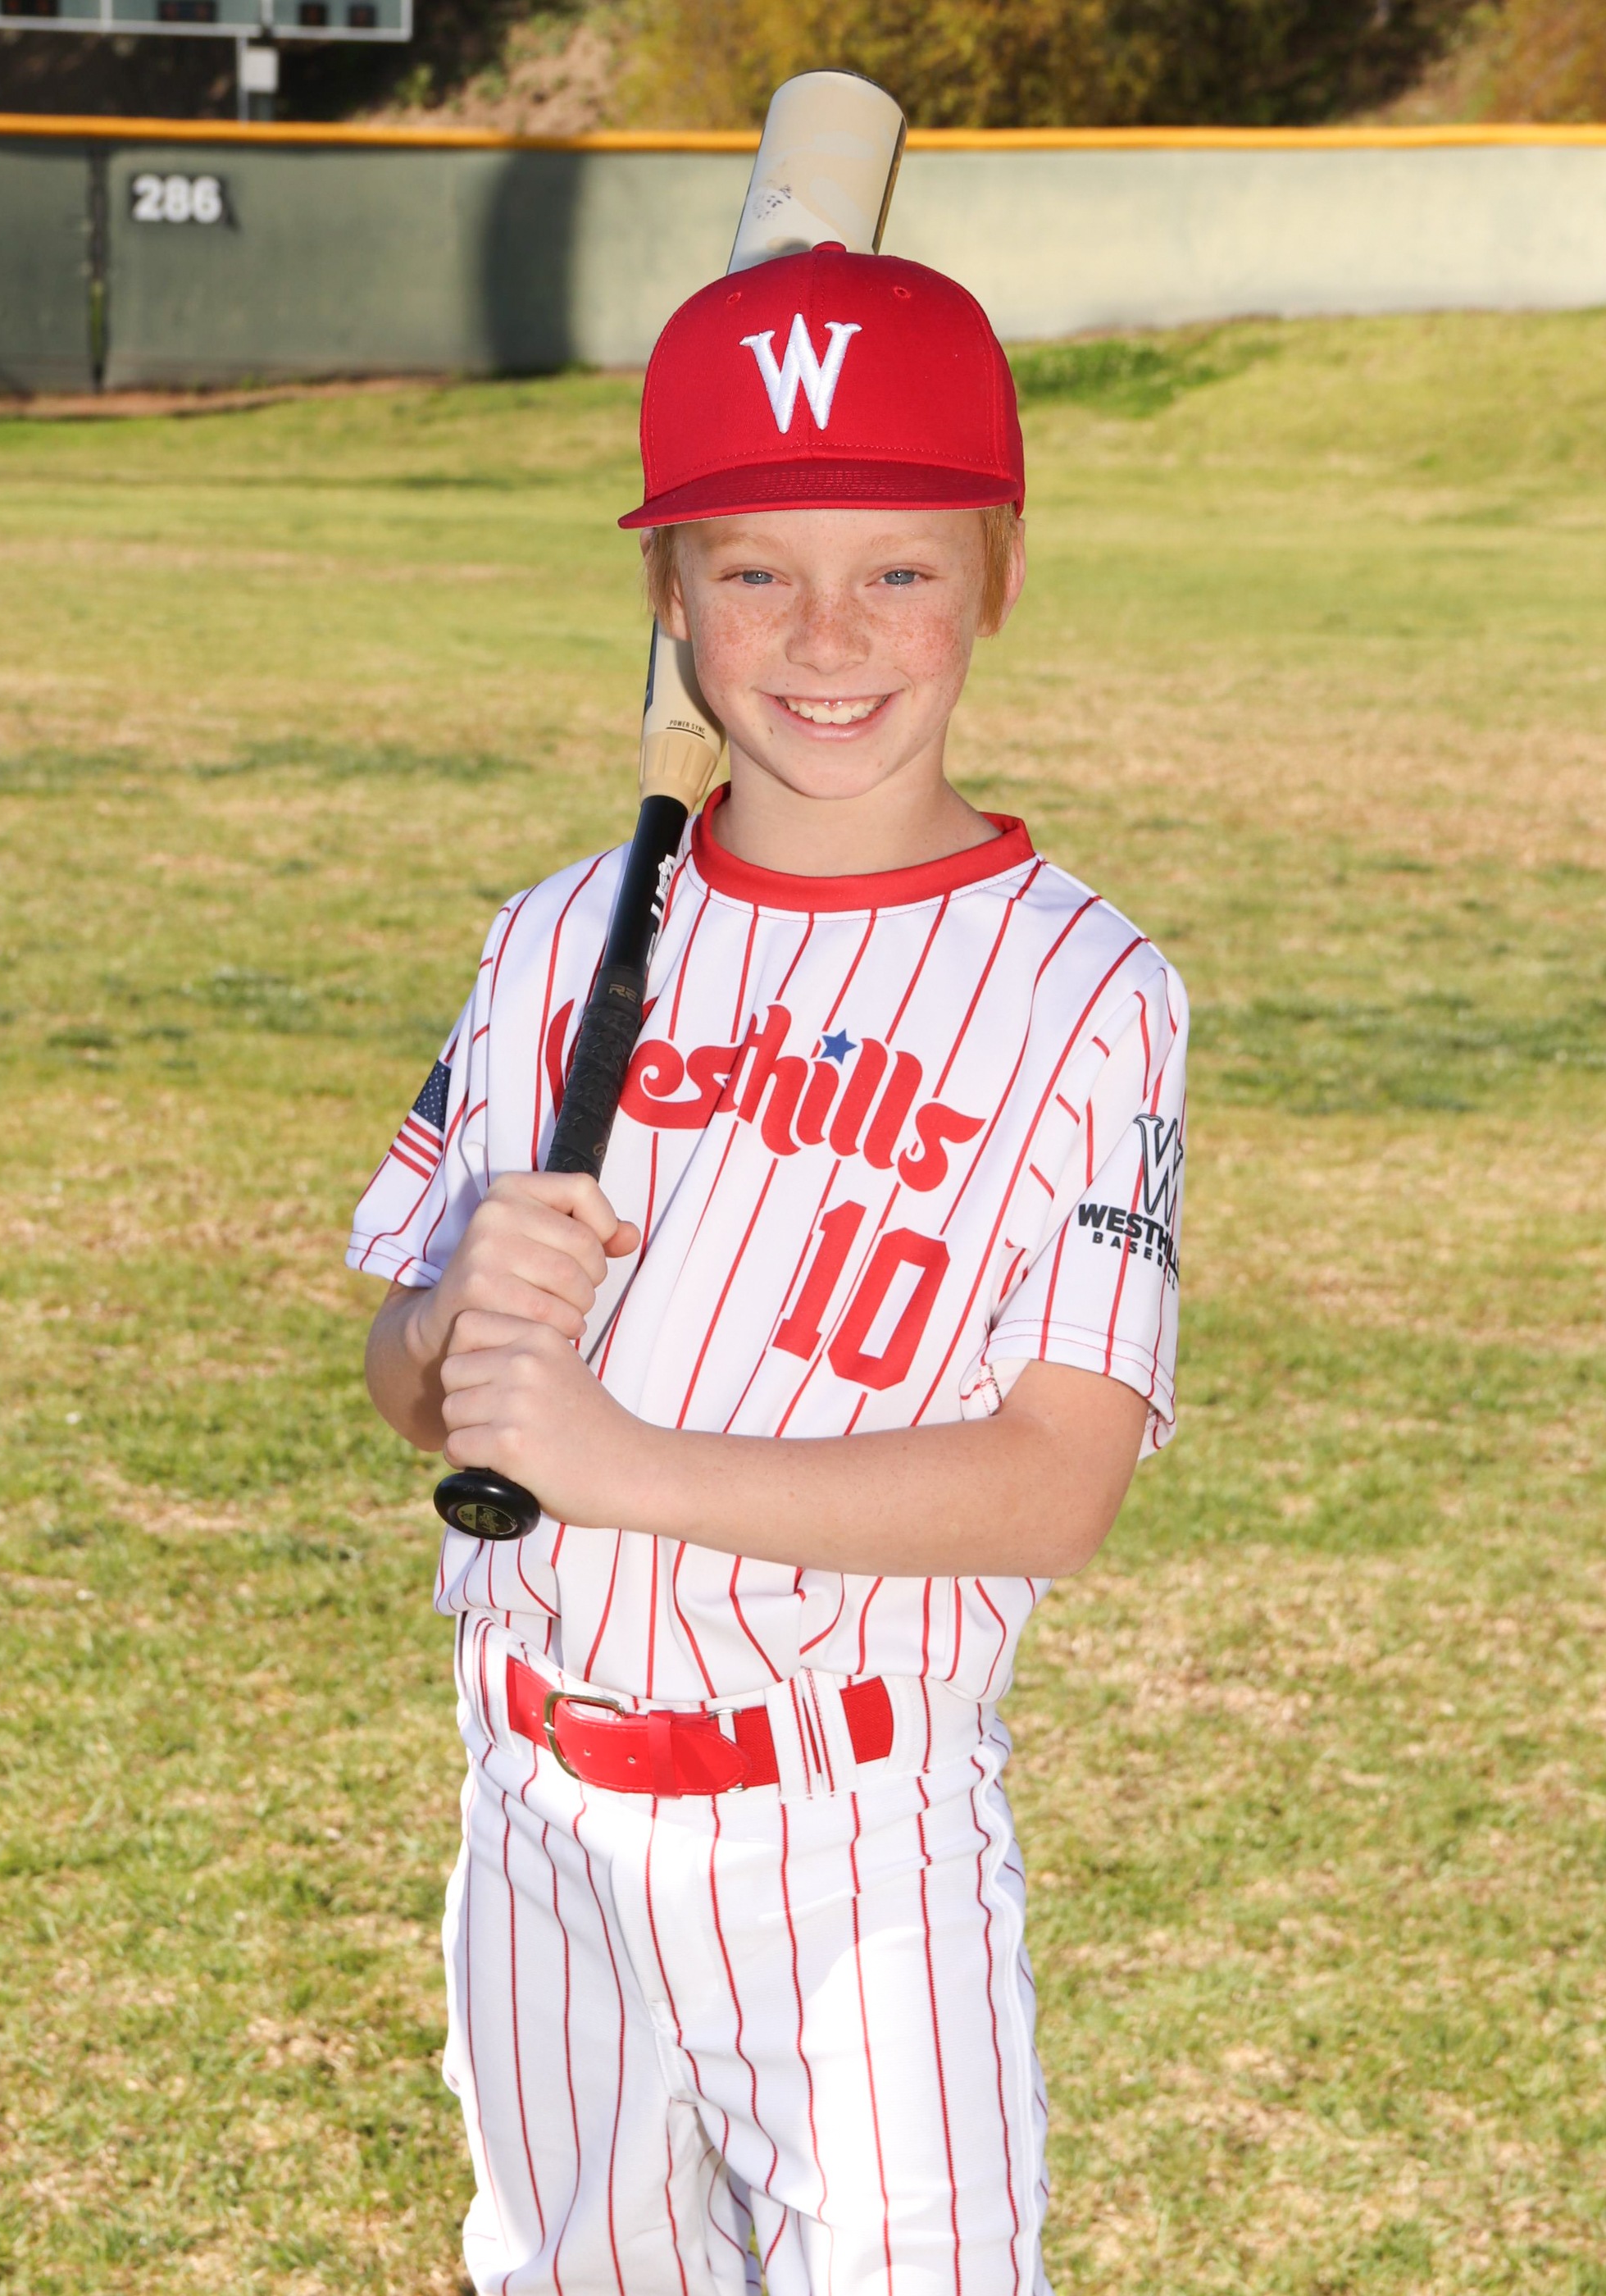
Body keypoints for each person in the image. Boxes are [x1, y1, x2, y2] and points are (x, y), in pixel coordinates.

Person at [350, 245, 1187, 2296]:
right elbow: (407, 1375)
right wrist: (452, 1316)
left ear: (995, 576)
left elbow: (1053, 1483)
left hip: (851, 1834)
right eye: (752, 570)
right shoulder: (556, 937)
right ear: (668, 595)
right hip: (534, 1804)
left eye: (896, 568)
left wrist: (621, 1458)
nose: (824, 636)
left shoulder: (1086, 990)